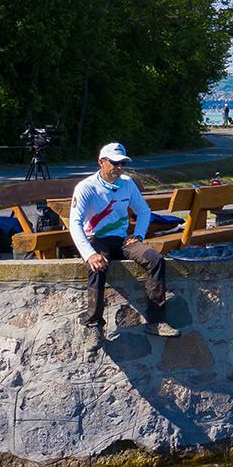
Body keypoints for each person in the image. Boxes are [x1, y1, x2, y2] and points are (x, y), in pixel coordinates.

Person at [69, 142, 177, 336]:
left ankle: (156, 322)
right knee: (98, 264)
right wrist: (89, 254)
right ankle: (94, 324)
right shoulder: (86, 187)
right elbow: (75, 224)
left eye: (123, 164)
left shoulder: (127, 183)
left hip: (122, 239)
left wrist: (139, 236)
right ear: (101, 162)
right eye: (115, 163)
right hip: (96, 239)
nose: (119, 168)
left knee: (156, 260)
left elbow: (143, 211)